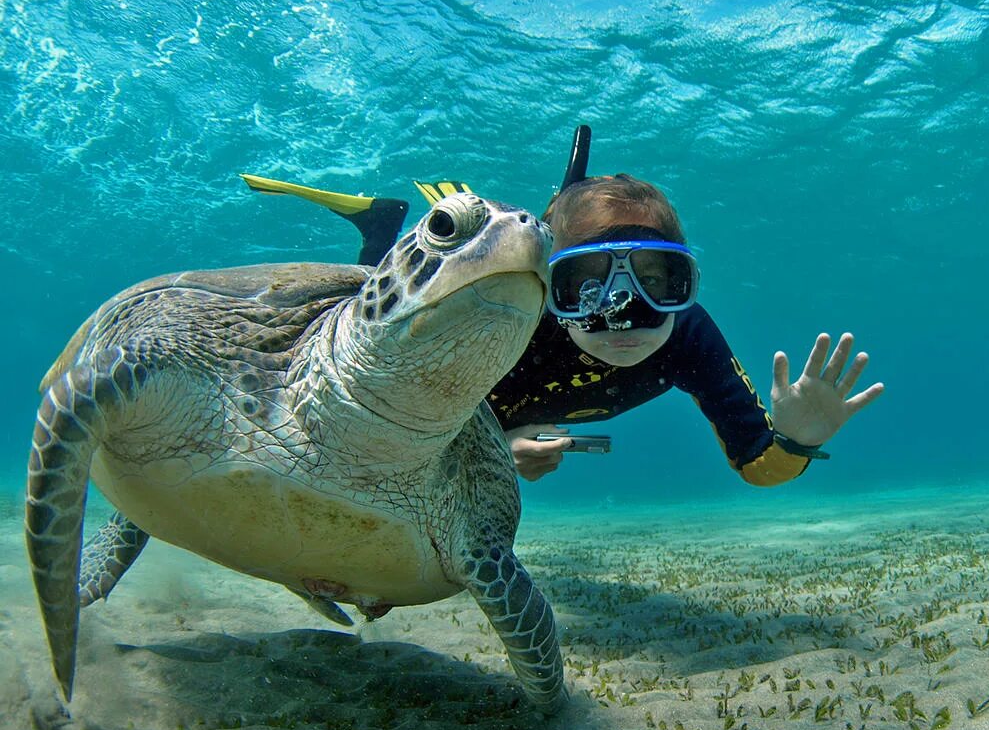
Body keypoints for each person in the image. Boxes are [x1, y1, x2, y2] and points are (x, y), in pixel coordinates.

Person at [241, 126, 883, 486]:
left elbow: (761, 468)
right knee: (373, 292)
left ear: (688, 285)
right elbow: (388, 427)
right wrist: (490, 450)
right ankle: (385, 225)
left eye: (660, 280)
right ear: (549, 288)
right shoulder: (505, 322)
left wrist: (796, 436)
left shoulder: (688, 337)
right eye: (586, 284)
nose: (624, 312)